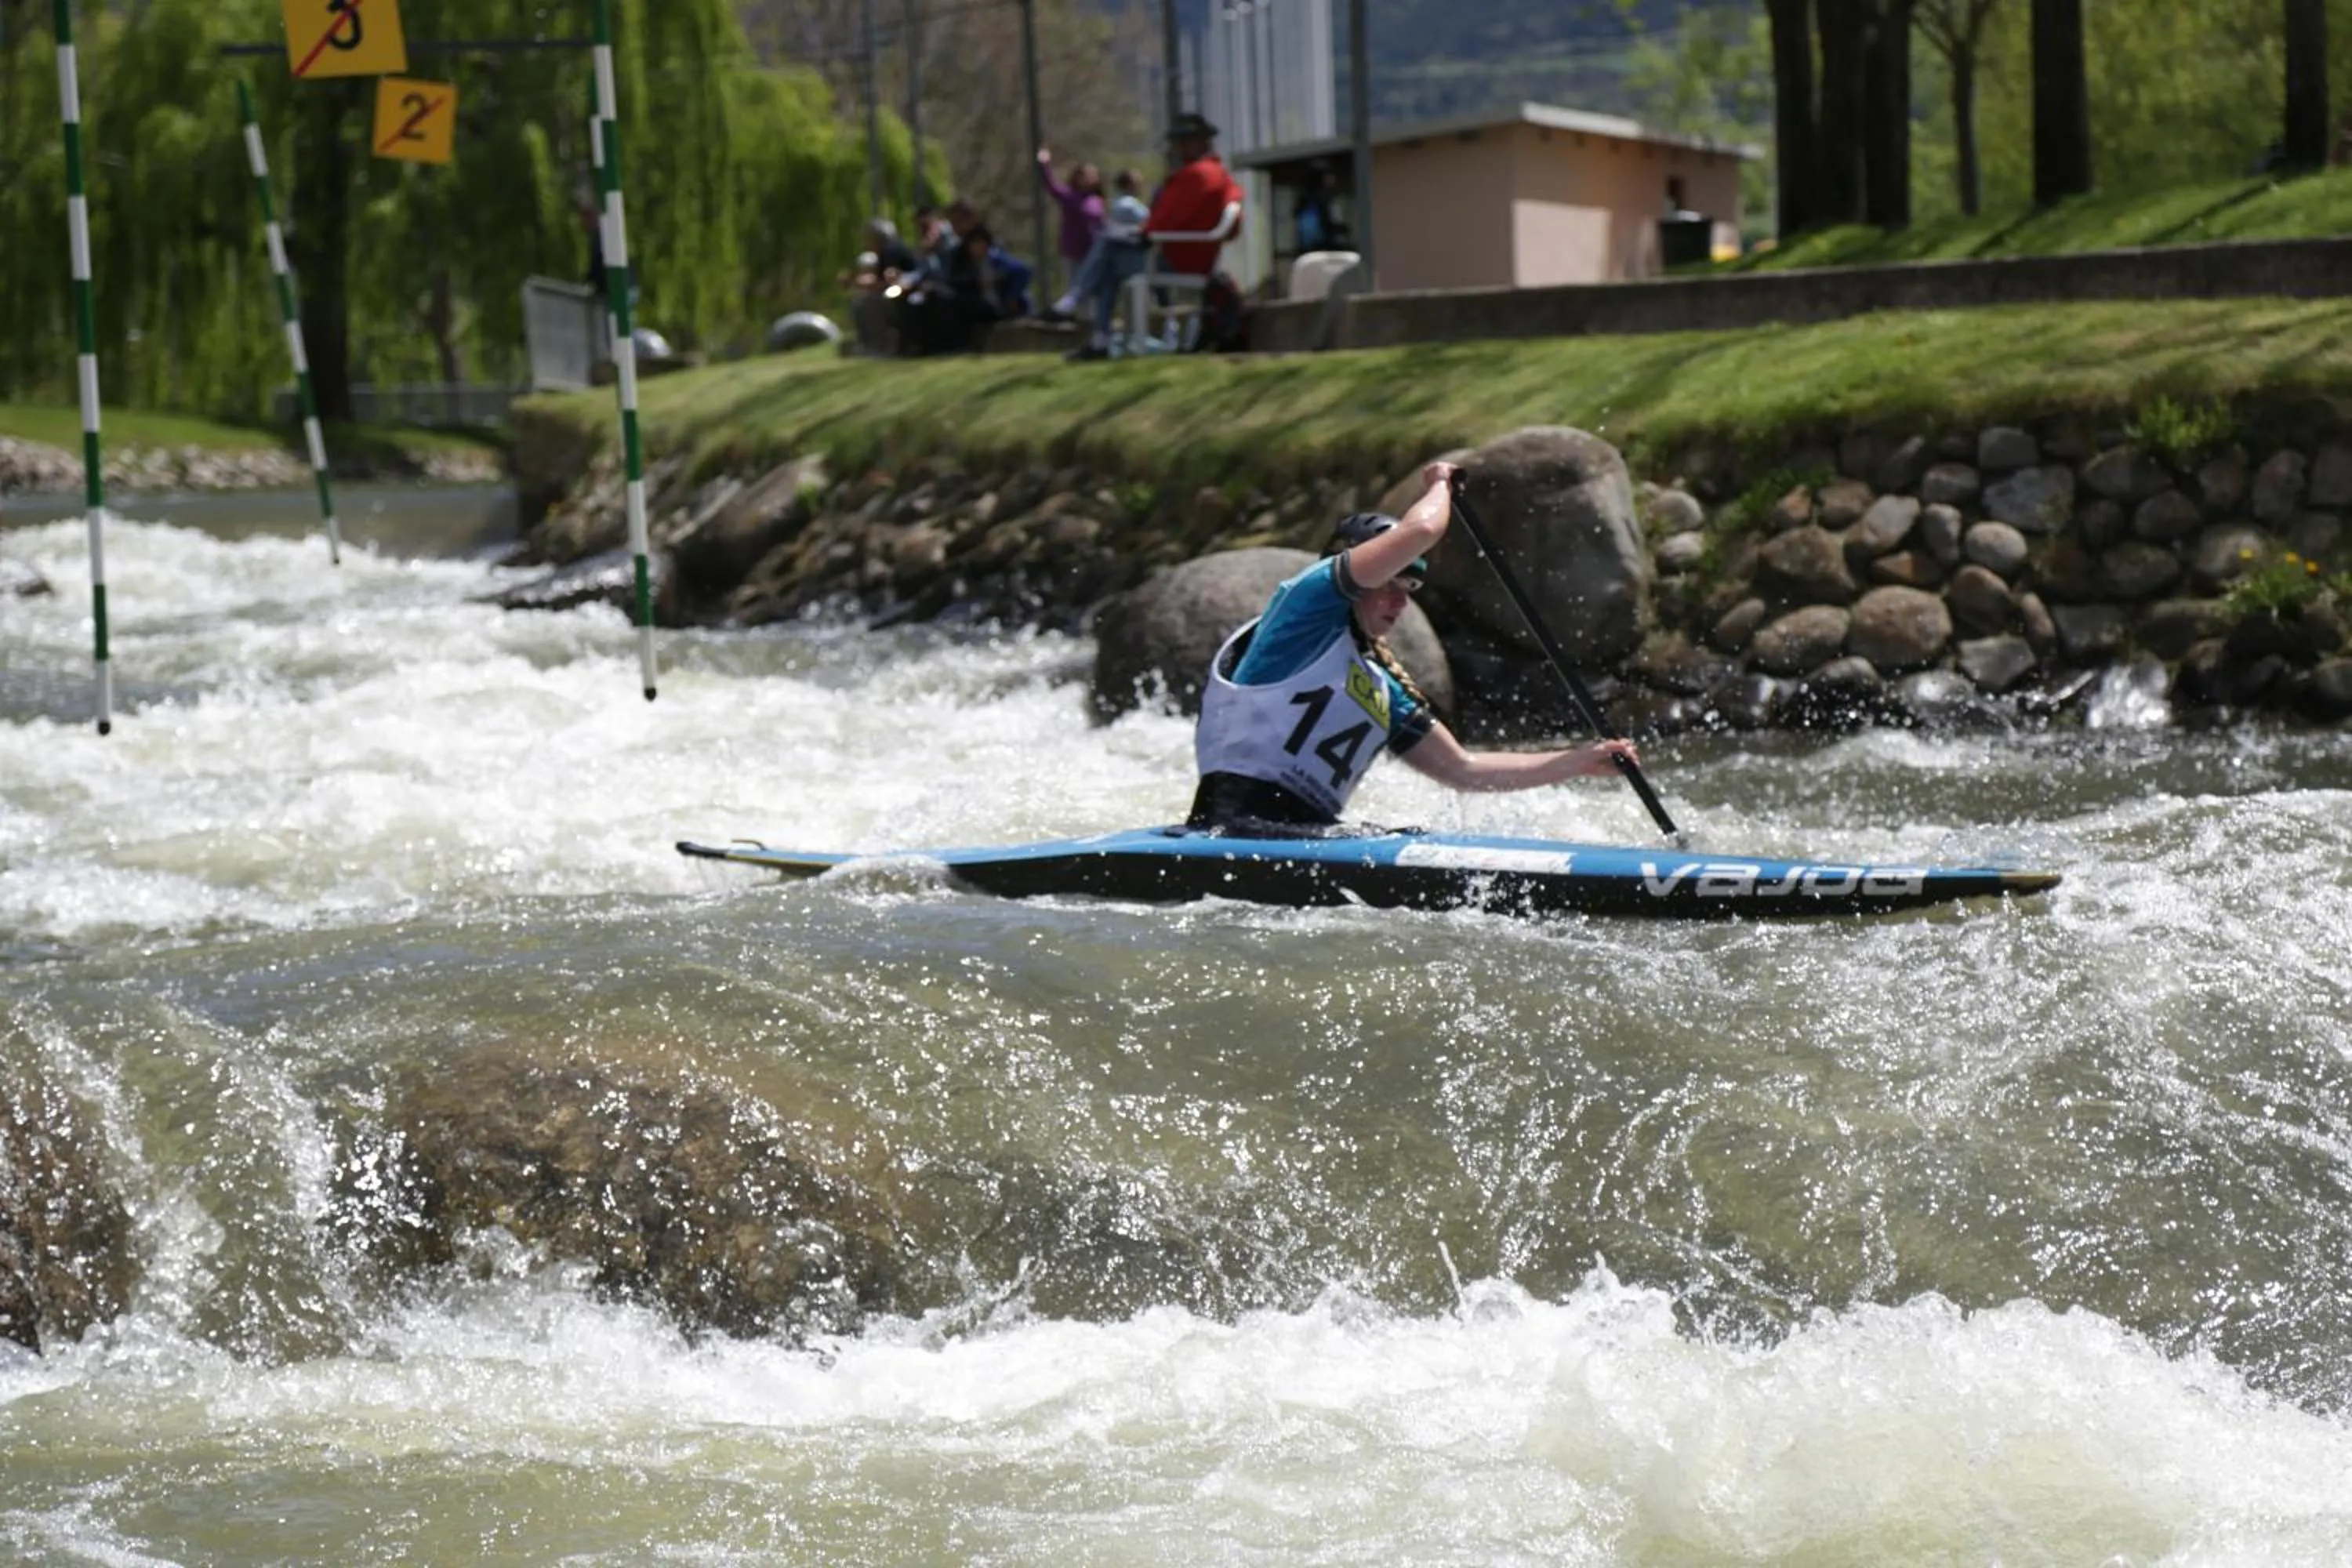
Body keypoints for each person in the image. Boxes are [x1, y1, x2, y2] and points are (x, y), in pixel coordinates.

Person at [1189, 460, 1638, 833]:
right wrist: (1441, 484)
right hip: (1227, 827)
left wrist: (1576, 762)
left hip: (1305, 839)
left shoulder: (1381, 687)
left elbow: (1464, 769)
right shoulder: (1302, 611)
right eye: (1388, 581)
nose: (1400, 599)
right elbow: (1422, 530)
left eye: (1410, 587)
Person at [1069, 113, 1242, 361]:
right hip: (1185, 255)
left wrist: (1146, 233)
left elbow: (1159, 223)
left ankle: (1077, 306)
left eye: (1182, 142)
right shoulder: (1219, 175)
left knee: (1108, 249)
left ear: (1197, 143)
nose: (1177, 149)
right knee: (1108, 255)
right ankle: (1095, 332)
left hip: (1173, 261)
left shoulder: (1196, 176)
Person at [1035, 147, 1106, 318]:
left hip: (1093, 252)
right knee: (1076, 289)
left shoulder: (1097, 200)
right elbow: (1051, 186)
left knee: (1093, 290)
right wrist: (1044, 164)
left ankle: (1094, 323)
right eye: (1084, 176)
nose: (1087, 179)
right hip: (1074, 251)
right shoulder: (1070, 196)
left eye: (1091, 176)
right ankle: (1080, 323)